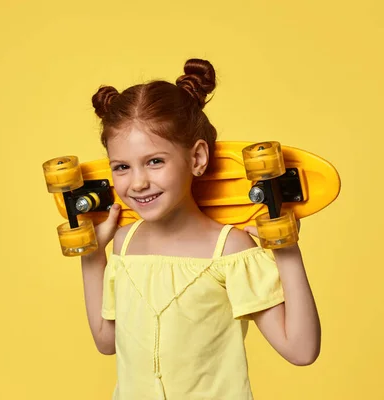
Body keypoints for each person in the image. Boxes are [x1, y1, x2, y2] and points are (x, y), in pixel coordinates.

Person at [80, 58, 321, 400]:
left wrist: (287, 251)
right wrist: (91, 256)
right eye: (122, 167)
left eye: (155, 161)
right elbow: (107, 342)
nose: (138, 182)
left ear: (197, 158)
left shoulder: (229, 250)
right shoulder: (124, 243)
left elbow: (301, 350)